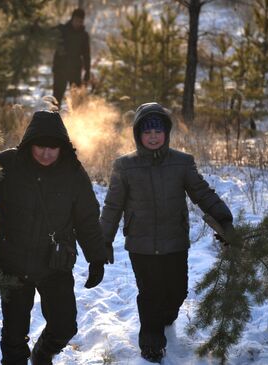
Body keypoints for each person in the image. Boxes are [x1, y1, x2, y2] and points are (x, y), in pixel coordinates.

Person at [99, 102, 235, 363]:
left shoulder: (182, 163)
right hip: (141, 243)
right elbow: (112, 206)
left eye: (158, 131)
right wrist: (103, 240)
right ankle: (151, 342)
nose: (152, 136)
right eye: (147, 132)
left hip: (175, 241)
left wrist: (224, 218)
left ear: (167, 133)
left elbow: (202, 193)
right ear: (138, 134)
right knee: (150, 293)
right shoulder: (124, 166)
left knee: (177, 291)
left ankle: (166, 318)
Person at [0, 110, 107, 365]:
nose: (46, 153)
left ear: (62, 147)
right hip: (14, 263)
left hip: (54, 264)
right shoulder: (9, 164)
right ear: (30, 143)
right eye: (41, 146)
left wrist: (96, 257)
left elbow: (86, 219)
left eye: (53, 147)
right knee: (13, 336)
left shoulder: (73, 173)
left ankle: (41, 356)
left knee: (65, 326)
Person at [52, 8, 91, 107]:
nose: (79, 23)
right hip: (60, 69)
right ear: (72, 19)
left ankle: (76, 120)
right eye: (77, 20)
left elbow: (86, 54)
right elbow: (49, 37)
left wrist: (87, 71)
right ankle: (52, 119)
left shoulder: (84, 35)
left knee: (76, 99)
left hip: (75, 70)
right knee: (56, 99)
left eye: (81, 21)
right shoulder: (62, 30)